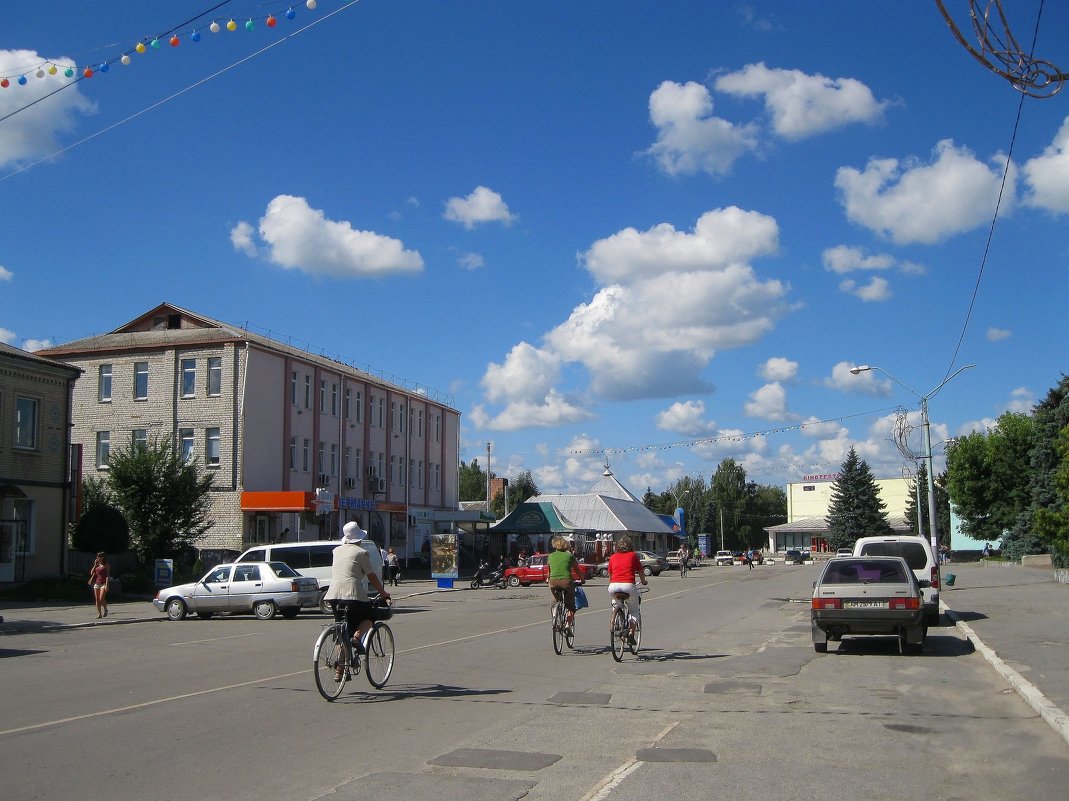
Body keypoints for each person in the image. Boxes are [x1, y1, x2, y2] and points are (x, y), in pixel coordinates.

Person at [324, 523, 391, 660]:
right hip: (352, 594)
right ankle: (357, 637)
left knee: (341, 632)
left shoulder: (336, 551)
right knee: (370, 615)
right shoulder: (361, 553)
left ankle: (339, 671)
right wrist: (383, 593)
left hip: (333, 595)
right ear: (359, 539)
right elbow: (372, 576)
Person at [606, 536, 647, 642]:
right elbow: (640, 570)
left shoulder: (613, 557)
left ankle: (614, 620)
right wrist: (643, 581)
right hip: (628, 585)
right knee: (634, 610)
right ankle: (631, 632)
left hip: (613, 586)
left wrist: (613, 582)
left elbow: (610, 573)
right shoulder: (633, 555)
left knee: (615, 602)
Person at [546, 535, 583, 631]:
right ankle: (567, 625)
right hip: (566, 581)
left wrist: (548, 579)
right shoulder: (569, 556)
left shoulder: (550, 556)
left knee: (555, 600)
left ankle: (554, 615)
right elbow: (577, 570)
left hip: (553, 582)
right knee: (571, 606)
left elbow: (549, 572)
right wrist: (582, 579)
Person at [88, 552, 110, 618]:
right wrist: (95, 565)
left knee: (101, 598)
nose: (97, 558)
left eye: (99, 556)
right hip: (97, 583)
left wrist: (107, 584)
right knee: (97, 599)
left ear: (102, 557)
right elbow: (92, 573)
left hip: (103, 583)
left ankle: (106, 609)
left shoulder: (106, 565)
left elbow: (107, 576)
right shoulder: (97, 565)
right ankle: (99, 614)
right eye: (97, 556)